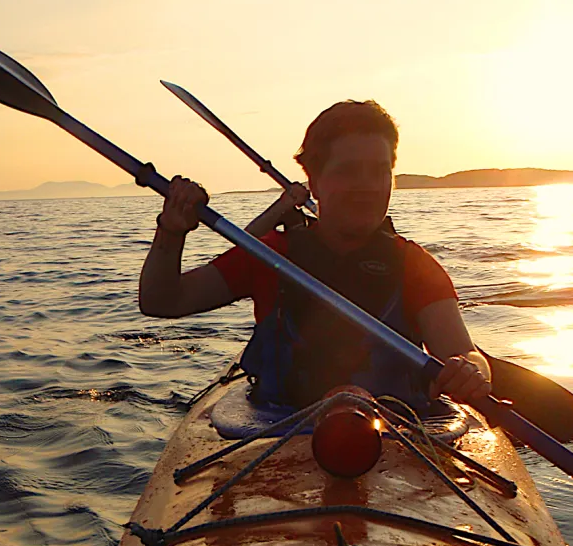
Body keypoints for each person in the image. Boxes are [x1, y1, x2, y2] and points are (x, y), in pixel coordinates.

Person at [138, 99, 490, 410]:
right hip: (279, 431)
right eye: (348, 171)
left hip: (395, 441)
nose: (367, 186)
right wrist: (171, 230)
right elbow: (162, 300)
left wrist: (470, 370)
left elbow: (466, 353)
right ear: (315, 183)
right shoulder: (271, 255)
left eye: (379, 171)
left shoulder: (414, 266)